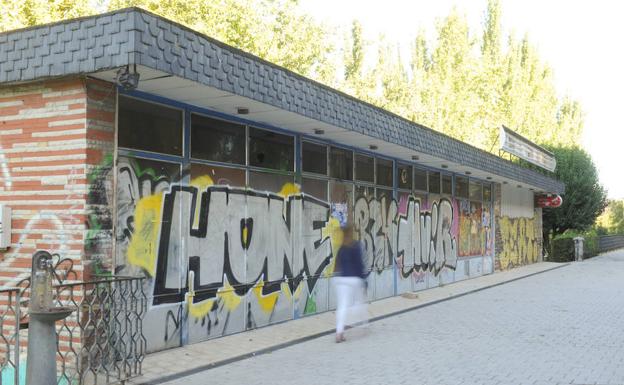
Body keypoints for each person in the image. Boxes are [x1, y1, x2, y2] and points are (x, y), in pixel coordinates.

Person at [333, 224, 367, 343]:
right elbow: (359, 264)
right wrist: (363, 280)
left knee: (342, 306)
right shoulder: (356, 246)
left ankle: (339, 333)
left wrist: (335, 279)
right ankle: (363, 325)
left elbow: (336, 265)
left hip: (341, 280)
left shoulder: (341, 247)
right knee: (359, 302)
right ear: (351, 232)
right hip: (354, 279)